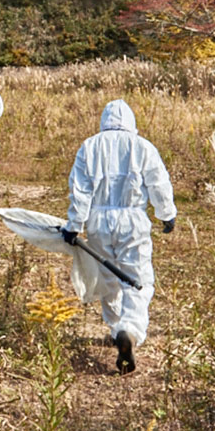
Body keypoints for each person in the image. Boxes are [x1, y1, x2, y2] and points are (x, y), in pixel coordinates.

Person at [61, 99, 176, 373]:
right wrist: (166, 213)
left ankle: (116, 329)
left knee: (108, 277)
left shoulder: (89, 146)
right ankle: (130, 329)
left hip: (98, 220)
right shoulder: (143, 147)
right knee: (138, 278)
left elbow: (80, 190)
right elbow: (158, 183)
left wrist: (74, 224)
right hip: (133, 219)